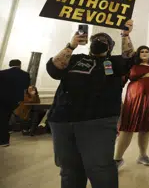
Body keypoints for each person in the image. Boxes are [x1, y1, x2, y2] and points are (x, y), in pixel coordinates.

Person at [46, 20, 134, 188]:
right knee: (69, 169)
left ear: (110, 47)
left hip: (97, 121)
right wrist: (71, 45)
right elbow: (54, 70)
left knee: (100, 168)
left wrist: (125, 34)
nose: (99, 42)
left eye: (104, 41)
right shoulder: (75, 59)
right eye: (96, 39)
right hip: (63, 120)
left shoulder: (112, 64)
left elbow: (129, 60)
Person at [114, 46, 149, 167]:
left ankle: (143, 155)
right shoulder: (132, 65)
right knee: (127, 129)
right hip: (135, 101)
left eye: (147, 51)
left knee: (146, 128)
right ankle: (117, 159)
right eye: (141, 51)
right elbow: (119, 82)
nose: (144, 53)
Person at [0, 59, 30, 147]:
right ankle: (23, 130)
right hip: (17, 100)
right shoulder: (25, 74)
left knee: (3, 119)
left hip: (2, 99)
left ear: (10, 64)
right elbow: (26, 87)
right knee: (12, 117)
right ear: (20, 65)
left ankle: (4, 140)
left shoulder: (2, 73)